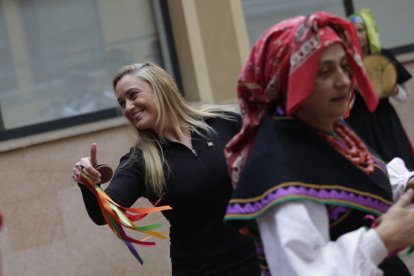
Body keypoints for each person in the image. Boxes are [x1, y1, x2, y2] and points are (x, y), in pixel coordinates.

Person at [224, 11, 414, 276]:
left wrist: (406, 183)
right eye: (324, 71)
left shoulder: (326, 129)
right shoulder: (279, 168)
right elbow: (304, 270)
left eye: (343, 65)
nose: (344, 80)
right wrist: (381, 241)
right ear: (287, 83)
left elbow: (366, 178)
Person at [71, 62, 260, 275]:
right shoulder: (140, 161)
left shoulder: (224, 122)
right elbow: (103, 215)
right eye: (122, 103)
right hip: (201, 270)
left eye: (133, 95)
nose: (128, 107)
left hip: (259, 259)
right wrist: (88, 184)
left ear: (160, 88)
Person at [346, 8, 414, 170]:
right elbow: (344, 108)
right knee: (373, 170)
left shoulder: (383, 56)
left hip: (385, 121)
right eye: (352, 32)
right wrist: (354, 88)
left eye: (361, 30)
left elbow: (404, 95)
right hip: (359, 124)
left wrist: (393, 90)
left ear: (368, 31)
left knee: (401, 164)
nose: (358, 35)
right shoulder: (343, 63)